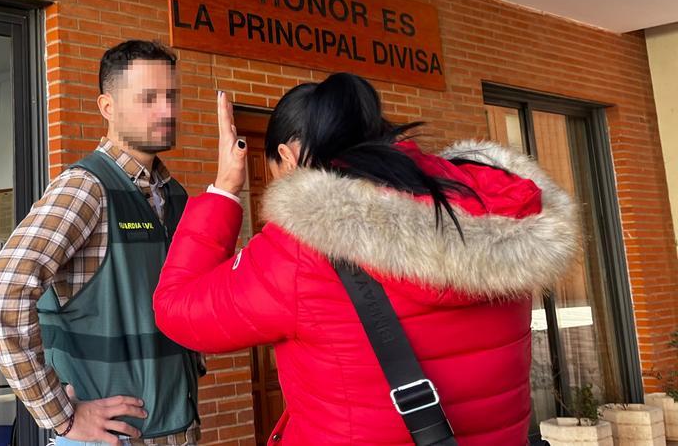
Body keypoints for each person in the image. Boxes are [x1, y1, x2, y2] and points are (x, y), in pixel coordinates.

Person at [153, 73, 580, 445]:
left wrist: (225, 189)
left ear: (287, 156)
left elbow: (176, 310)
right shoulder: (495, 209)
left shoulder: (304, 249)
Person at [0, 40, 202, 446]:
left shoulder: (175, 196)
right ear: (107, 107)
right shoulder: (85, 189)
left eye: (171, 96)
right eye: (148, 98)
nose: (167, 111)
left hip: (175, 428)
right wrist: (60, 416)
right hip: (109, 439)